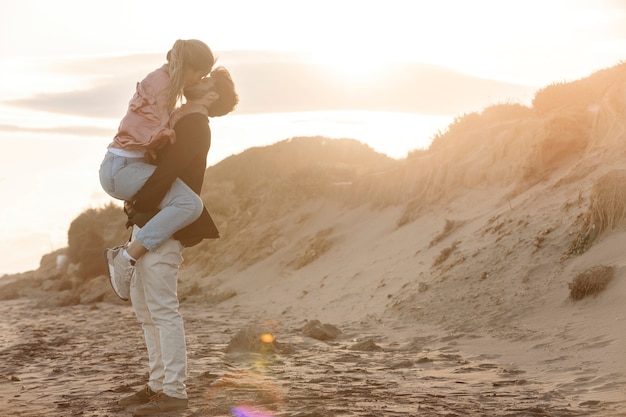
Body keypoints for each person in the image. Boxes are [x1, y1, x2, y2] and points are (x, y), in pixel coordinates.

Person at [115, 68, 239, 416]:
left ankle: (173, 394)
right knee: (146, 312)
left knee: (163, 312)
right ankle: (157, 386)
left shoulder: (195, 126)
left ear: (211, 96)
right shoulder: (182, 120)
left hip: (165, 229)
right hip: (149, 223)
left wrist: (137, 200)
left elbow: (167, 173)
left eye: (206, 80)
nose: (195, 80)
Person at [99, 39, 216, 301]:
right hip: (121, 168)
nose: (200, 79)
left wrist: (192, 108)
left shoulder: (167, 85)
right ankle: (125, 257)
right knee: (190, 205)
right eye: (200, 73)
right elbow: (157, 128)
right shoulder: (161, 83)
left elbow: (165, 122)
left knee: (187, 203)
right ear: (187, 66)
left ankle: (128, 255)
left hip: (125, 166)